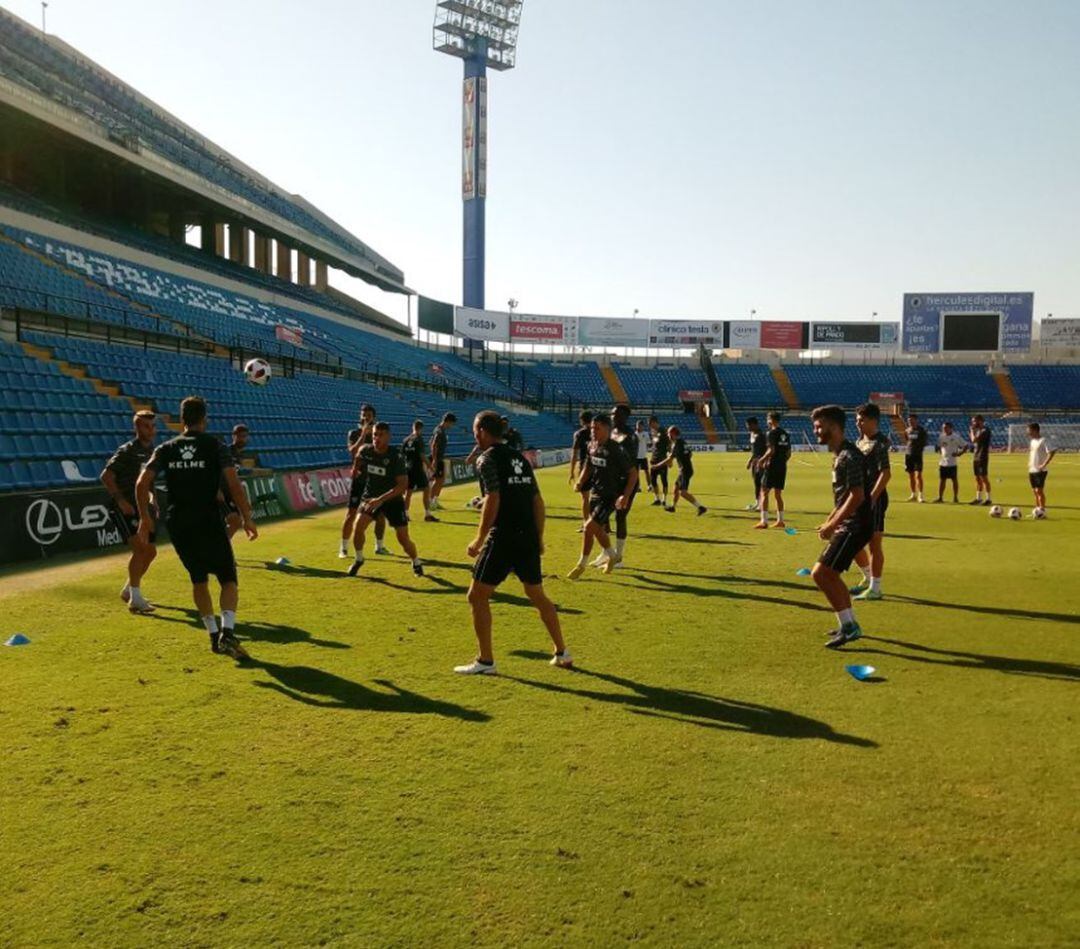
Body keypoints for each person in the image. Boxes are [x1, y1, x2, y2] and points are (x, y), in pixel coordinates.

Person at [135, 396, 257, 658]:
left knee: (198, 578)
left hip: (178, 522)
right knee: (228, 578)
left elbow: (141, 484)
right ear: (204, 418)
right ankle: (228, 633)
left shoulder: (166, 448)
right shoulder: (215, 446)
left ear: (182, 420)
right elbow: (234, 485)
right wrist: (246, 517)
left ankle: (214, 635)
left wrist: (145, 518)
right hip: (208, 520)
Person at [455, 411, 572, 675]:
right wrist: (539, 537)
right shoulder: (519, 458)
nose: (474, 434)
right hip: (527, 536)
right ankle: (562, 652)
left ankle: (486, 661)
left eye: (475, 429)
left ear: (483, 431)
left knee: (477, 596)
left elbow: (494, 498)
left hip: (504, 537)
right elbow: (537, 501)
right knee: (537, 594)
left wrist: (478, 539)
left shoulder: (486, 460)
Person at [808, 405, 872, 649]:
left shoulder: (850, 456)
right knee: (829, 574)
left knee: (821, 573)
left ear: (834, 427)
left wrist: (834, 523)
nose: (816, 431)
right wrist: (829, 520)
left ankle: (849, 626)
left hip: (856, 525)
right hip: (849, 523)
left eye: (819, 426)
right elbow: (844, 496)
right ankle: (848, 622)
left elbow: (857, 496)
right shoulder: (841, 455)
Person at [347, 422, 423, 577]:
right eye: (375, 434)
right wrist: (355, 469)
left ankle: (416, 560)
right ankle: (359, 559)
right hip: (371, 497)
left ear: (388, 437)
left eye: (381, 435)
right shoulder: (366, 450)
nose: (376, 438)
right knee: (358, 526)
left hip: (393, 500)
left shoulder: (396, 456)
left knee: (403, 539)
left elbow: (402, 486)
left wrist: (381, 500)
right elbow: (356, 455)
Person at [101, 409, 158, 614]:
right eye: (145, 426)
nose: (150, 430)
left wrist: (154, 502)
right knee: (141, 549)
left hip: (142, 507)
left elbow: (148, 481)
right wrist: (121, 501)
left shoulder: (153, 450)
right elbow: (106, 476)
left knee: (151, 551)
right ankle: (135, 599)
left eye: (152, 426)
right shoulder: (127, 451)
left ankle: (128, 590)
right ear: (136, 427)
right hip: (124, 507)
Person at [568, 413, 637, 578]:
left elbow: (633, 474)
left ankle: (581, 565)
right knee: (597, 530)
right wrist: (580, 481)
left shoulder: (616, 449)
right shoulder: (592, 445)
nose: (593, 431)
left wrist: (625, 496)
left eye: (596, 428)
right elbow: (589, 465)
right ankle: (612, 556)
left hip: (610, 496)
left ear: (607, 429)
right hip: (595, 493)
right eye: (592, 428)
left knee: (588, 527)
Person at [849, 403, 891, 601]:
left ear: (873, 420)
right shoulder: (860, 440)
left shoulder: (880, 442)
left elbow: (885, 473)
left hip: (874, 499)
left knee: (874, 544)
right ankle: (867, 577)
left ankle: (876, 587)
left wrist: (872, 498)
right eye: (857, 420)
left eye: (861, 420)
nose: (858, 423)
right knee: (853, 541)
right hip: (859, 498)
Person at [339, 405, 388, 557]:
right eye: (364, 414)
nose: (366, 417)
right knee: (351, 514)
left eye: (369, 415)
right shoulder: (354, 433)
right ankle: (344, 548)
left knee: (380, 516)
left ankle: (379, 546)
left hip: (375, 481)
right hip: (360, 480)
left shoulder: (378, 434)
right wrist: (362, 435)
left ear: (374, 416)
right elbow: (353, 451)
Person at [603, 403, 639, 566]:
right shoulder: (611, 433)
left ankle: (619, 557)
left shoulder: (630, 436)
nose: (613, 417)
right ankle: (606, 553)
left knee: (620, 516)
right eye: (612, 414)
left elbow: (629, 464)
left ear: (625, 417)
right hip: (611, 481)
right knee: (602, 516)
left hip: (626, 483)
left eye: (616, 415)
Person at [651, 425, 706, 515]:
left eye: (669, 433)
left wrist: (657, 466)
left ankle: (700, 507)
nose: (668, 436)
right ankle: (673, 507)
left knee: (683, 493)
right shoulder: (683, 442)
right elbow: (690, 454)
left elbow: (669, 460)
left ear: (673, 433)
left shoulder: (676, 445)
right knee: (676, 488)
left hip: (685, 470)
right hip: (685, 469)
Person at [755, 411, 790, 529]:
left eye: (767, 419)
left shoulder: (771, 433)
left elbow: (771, 450)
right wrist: (782, 462)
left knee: (764, 492)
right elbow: (789, 453)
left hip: (772, 466)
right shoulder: (785, 433)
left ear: (771, 420)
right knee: (778, 494)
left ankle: (764, 521)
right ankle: (780, 521)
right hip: (782, 466)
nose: (767, 421)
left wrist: (761, 460)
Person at [402, 419, 437, 522]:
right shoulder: (419, 439)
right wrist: (431, 467)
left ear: (413, 427)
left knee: (408, 492)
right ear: (421, 428)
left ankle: (405, 514)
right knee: (426, 489)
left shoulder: (406, 440)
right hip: (417, 468)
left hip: (407, 468)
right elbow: (422, 455)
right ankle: (427, 514)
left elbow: (402, 455)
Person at [219, 424, 249, 539]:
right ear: (234, 436)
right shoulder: (226, 451)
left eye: (245, 436)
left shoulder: (239, 454)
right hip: (219, 492)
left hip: (228, 493)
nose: (243, 439)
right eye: (240, 436)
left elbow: (234, 477)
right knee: (234, 520)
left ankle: (222, 545)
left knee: (236, 521)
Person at [568, 410, 593, 531]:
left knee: (585, 497)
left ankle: (586, 523)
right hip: (600, 466)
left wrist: (571, 471)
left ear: (582, 420)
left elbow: (574, 453)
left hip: (585, 467)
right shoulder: (597, 431)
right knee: (600, 496)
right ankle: (604, 525)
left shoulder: (579, 434)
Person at [428, 412, 456, 510]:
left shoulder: (441, 430)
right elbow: (434, 444)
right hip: (437, 458)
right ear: (448, 421)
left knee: (441, 479)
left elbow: (430, 442)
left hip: (439, 458)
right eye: (452, 423)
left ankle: (435, 500)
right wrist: (434, 459)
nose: (452, 426)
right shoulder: (439, 431)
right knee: (438, 480)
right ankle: (430, 501)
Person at [1027, 422, 1056, 514]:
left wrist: (1044, 464)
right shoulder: (1032, 441)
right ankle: (1037, 510)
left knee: (1039, 490)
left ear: (1035, 430)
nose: (1028, 433)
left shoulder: (1044, 440)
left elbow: (1052, 451)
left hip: (1041, 470)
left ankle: (1042, 510)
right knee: (1034, 491)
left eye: (1029, 431)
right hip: (1032, 469)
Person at [935, 421, 966, 503]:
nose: (944, 429)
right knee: (942, 480)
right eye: (943, 428)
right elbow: (938, 446)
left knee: (954, 480)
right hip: (943, 462)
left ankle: (955, 498)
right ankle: (940, 497)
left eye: (946, 428)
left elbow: (965, 446)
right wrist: (940, 452)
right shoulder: (941, 437)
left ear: (950, 428)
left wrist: (959, 453)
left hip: (952, 463)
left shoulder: (956, 437)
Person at [903, 413, 928, 502]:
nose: (910, 422)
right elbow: (907, 441)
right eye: (909, 420)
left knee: (918, 475)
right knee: (911, 476)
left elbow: (924, 442)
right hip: (908, 455)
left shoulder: (921, 430)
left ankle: (920, 495)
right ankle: (913, 494)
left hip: (917, 455)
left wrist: (918, 449)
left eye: (912, 420)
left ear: (916, 420)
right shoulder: (907, 430)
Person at [969, 415, 993, 505]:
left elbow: (974, 440)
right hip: (976, 456)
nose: (973, 423)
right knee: (977, 478)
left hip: (982, 457)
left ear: (980, 421)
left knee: (984, 478)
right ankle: (978, 498)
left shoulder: (985, 430)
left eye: (974, 421)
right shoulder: (978, 430)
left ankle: (988, 499)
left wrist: (971, 431)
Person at [647, 415, 671, 507]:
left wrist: (669, 458)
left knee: (664, 480)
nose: (649, 426)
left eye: (650, 424)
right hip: (654, 460)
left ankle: (664, 499)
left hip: (662, 460)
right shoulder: (652, 432)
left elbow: (669, 445)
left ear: (654, 422)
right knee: (653, 480)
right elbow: (654, 445)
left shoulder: (663, 431)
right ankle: (657, 499)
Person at [745, 416, 766, 511]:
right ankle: (758, 503)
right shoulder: (752, 434)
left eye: (748, 425)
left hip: (761, 463)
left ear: (754, 425)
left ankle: (761, 504)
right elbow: (754, 451)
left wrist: (762, 461)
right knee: (756, 483)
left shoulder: (761, 435)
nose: (747, 427)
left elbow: (765, 450)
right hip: (755, 462)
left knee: (761, 483)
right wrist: (750, 461)